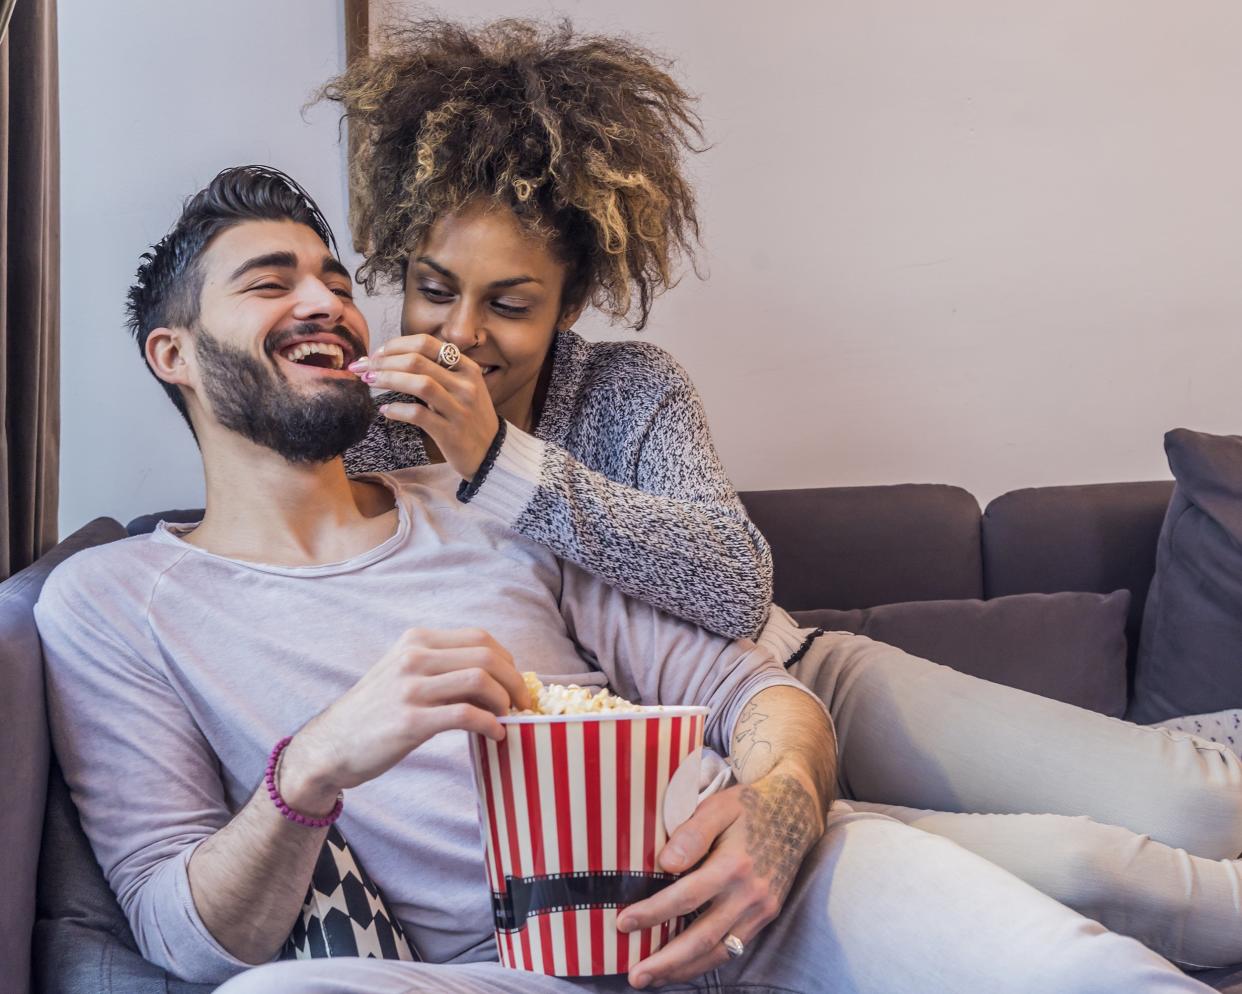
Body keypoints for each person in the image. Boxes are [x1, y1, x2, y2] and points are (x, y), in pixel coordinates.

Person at [35, 166, 1213, 994]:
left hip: (772, 734)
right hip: (500, 962)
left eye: (333, 276)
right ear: (172, 355)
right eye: (270, 281)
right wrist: (324, 756)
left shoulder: (499, 476)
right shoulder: (113, 598)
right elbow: (182, 931)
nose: (328, 302)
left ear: (566, 309)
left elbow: (744, 634)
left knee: (1103, 900)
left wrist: (770, 817)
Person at [319, 17, 1242, 970]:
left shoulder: (630, 388)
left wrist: (499, 461)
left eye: (510, 305)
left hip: (800, 680)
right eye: (433, 289)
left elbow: (732, 585)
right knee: (1090, 868)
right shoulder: (365, 439)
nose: (459, 332)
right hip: (681, 781)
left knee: (1203, 805)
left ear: (571, 304)